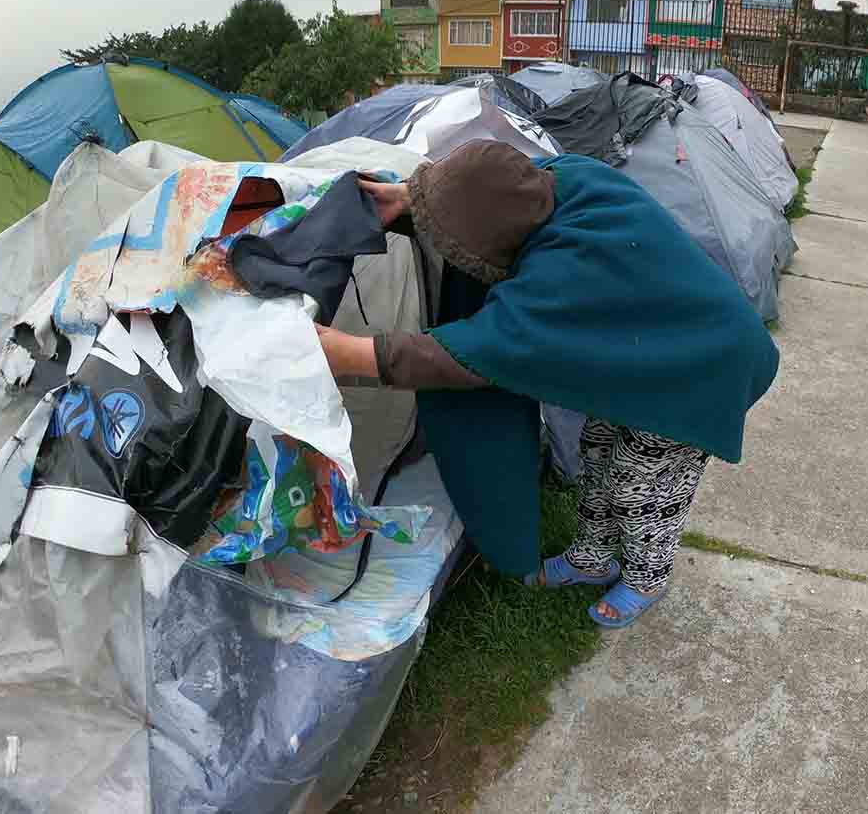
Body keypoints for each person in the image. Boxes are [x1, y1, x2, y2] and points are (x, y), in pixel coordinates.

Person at [315, 140, 777, 629]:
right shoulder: (565, 175)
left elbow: (473, 354)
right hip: (657, 349)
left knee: (639, 484)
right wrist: (413, 198)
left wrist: (352, 353)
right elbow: (481, 190)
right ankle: (593, 556)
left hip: (706, 368)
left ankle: (647, 574)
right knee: (597, 448)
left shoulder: (562, 272)